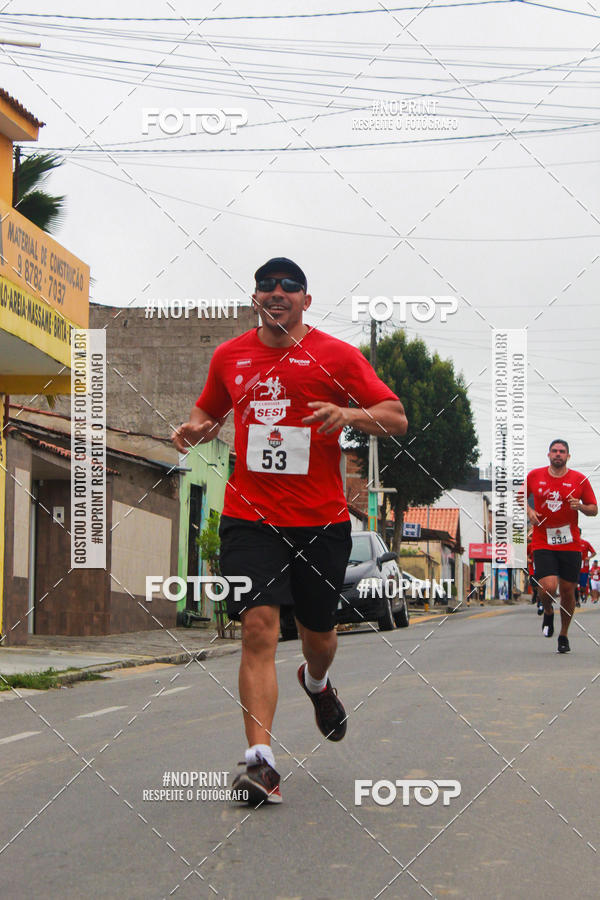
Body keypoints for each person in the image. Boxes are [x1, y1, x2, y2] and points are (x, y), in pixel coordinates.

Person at [172, 257, 407, 804]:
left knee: (318, 637)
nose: (276, 293)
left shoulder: (336, 356)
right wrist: (196, 429)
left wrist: (348, 417)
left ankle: (316, 682)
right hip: (250, 517)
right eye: (266, 286)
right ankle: (260, 763)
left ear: (306, 299)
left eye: (289, 287)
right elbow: (208, 412)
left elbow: (394, 416)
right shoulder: (230, 356)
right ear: (255, 297)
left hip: (320, 522)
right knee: (258, 627)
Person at [526, 439, 597, 653]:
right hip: (543, 540)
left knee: (568, 592)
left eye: (562, 451)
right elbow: (520, 497)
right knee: (548, 587)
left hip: (570, 543)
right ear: (548, 454)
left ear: (568, 456)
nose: (558, 454)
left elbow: (594, 509)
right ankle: (547, 611)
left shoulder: (579, 479)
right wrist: (529, 512)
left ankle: (564, 634)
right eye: (555, 451)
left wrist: (581, 506)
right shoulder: (534, 476)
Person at [576, 537, 595, 605]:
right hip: (574, 567)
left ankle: (582, 594)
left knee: (583, 586)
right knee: (574, 585)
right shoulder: (571, 543)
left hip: (584, 568)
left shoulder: (585, 543)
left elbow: (594, 552)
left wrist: (589, 557)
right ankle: (577, 601)